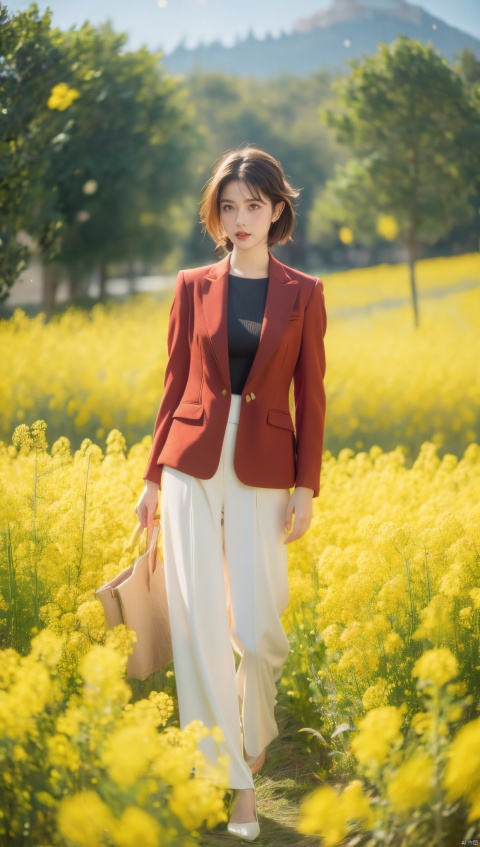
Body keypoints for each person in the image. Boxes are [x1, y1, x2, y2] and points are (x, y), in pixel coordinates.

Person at [136, 146, 327, 841]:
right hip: (190, 465)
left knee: (260, 626)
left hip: (266, 465)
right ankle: (237, 786)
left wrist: (307, 484)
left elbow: (313, 392)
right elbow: (172, 384)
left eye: (253, 205)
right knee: (201, 629)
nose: (239, 217)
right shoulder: (192, 284)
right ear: (214, 213)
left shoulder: (305, 292)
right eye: (228, 205)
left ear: (277, 210)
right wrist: (153, 477)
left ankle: (253, 740)